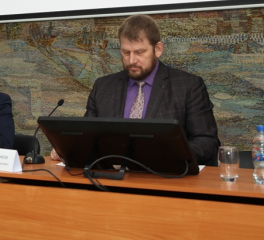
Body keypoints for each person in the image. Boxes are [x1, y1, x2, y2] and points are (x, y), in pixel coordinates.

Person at [51, 14, 220, 165]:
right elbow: (86, 138)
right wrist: (68, 148)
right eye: (126, 52)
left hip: (164, 180)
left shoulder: (189, 86)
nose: (132, 60)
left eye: (139, 52)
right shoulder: (103, 87)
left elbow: (207, 142)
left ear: (158, 49)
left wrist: (165, 157)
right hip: (109, 180)